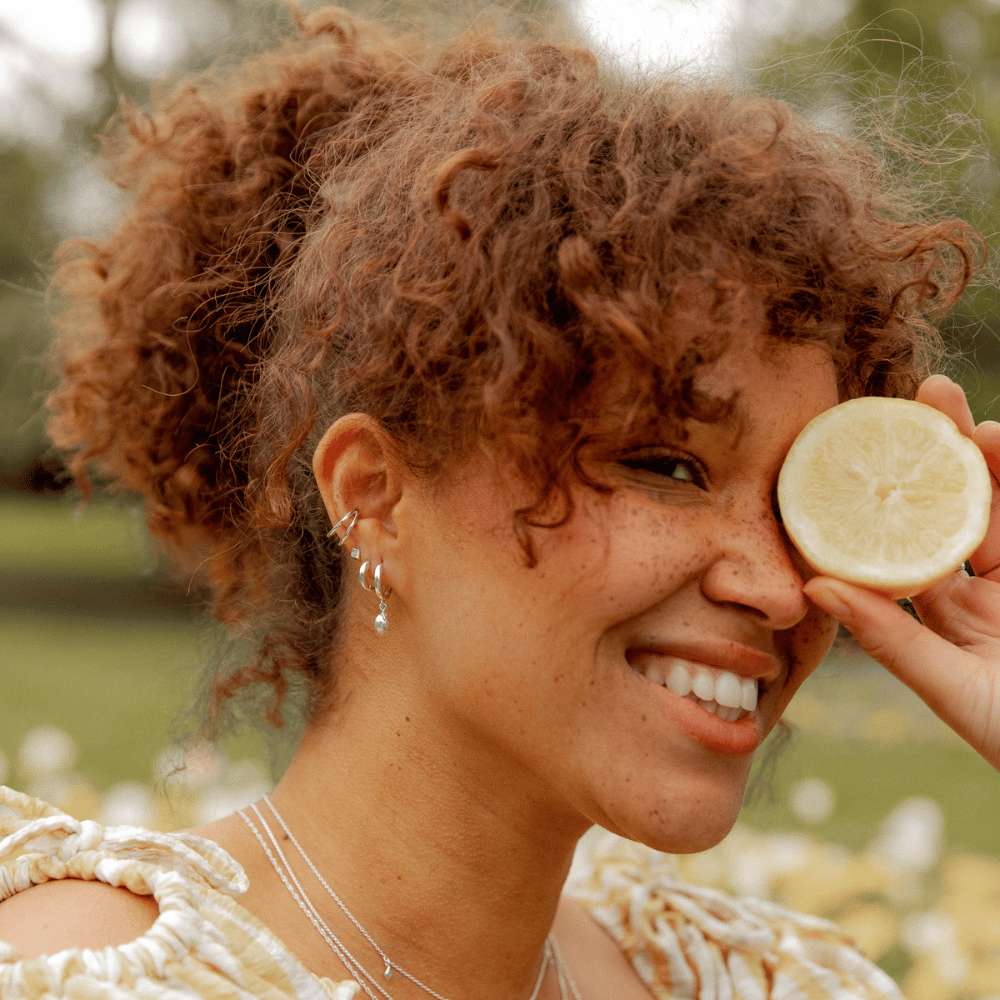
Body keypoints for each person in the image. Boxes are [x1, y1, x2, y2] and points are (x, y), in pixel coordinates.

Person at [0, 7, 997, 999]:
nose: (781, 589)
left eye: (794, 497)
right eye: (666, 463)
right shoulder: (81, 980)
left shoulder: (771, 984)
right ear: (375, 499)